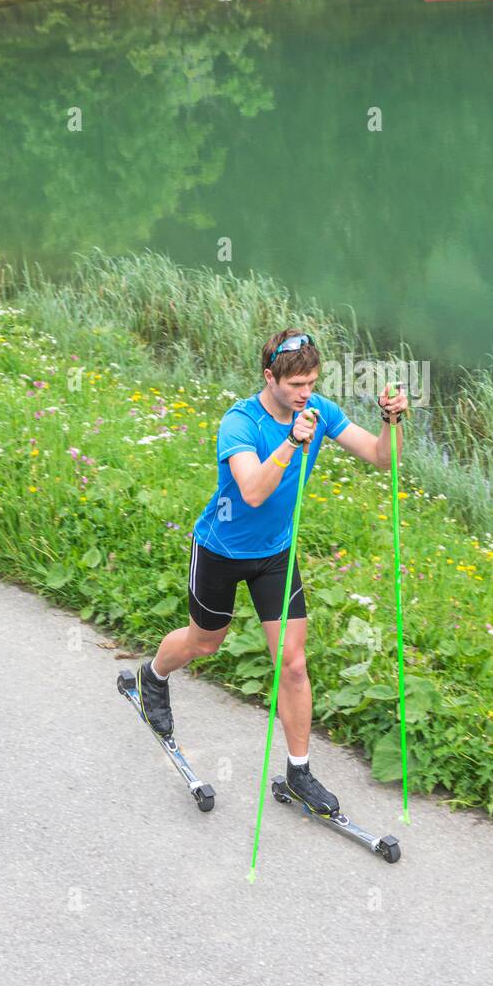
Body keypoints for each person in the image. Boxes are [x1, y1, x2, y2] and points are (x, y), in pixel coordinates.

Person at [136, 329, 408, 815]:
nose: (306, 393)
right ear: (270, 377)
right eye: (297, 384)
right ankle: (152, 676)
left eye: (312, 382)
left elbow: (382, 458)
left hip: (275, 554)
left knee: (293, 662)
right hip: (219, 549)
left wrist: (391, 420)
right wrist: (289, 441)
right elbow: (254, 492)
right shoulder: (239, 422)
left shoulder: (320, 411)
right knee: (205, 643)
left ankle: (299, 773)